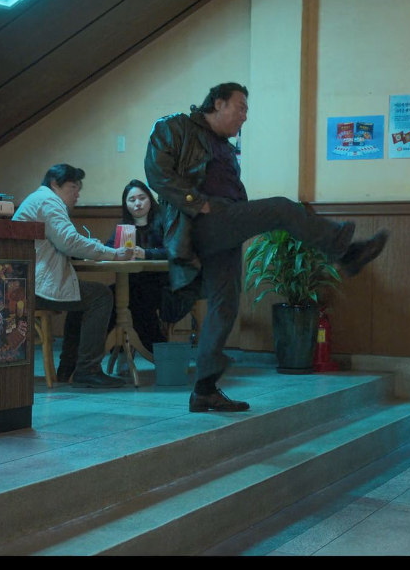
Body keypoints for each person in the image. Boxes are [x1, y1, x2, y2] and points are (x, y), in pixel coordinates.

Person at [145, 82, 389, 413]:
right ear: (218, 103)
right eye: (241, 107)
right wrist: (198, 202)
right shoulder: (174, 127)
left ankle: (204, 390)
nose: (245, 116)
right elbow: (157, 173)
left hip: (225, 224)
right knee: (281, 209)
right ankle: (347, 253)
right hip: (195, 223)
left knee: (225, 304)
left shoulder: (225, 147)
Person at [13, 163, 135, 388]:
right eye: (73, 187)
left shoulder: (39, 199)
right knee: (100, 295)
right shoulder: (49, 201)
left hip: (22, 283)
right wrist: (113, 253)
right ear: (55, 185)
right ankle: (88, 369)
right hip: (33, 287)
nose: (77, 193)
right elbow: (69, 241)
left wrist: (93, 248)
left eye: (79, 188)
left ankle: (69, 367)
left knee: (78, 293)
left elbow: (62, 241)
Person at [65, 179, 195, 372]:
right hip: (130, 284)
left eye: (142, 198)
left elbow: (176, 252)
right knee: (107, 300)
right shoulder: (124, 226)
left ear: (150, 199)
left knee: (133, 301)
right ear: (125, 204)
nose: (137, 203)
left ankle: (135, 352)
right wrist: (100, 247)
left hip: (165, 285)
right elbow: (110, 249)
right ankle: (139, 352)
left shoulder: (164, 221)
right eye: (132, 200)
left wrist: (146, 253)